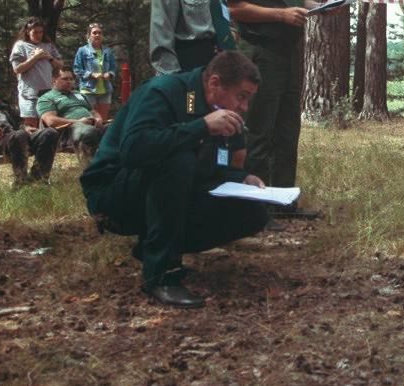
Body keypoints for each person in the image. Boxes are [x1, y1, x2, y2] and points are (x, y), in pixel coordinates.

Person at [80, 51, 271, 308]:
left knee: (253, 213)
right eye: (242, 97)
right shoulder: (164, 92)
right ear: (214, 83)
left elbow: (216, 166)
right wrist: (201, 127)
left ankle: (151, 246)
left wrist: (243, 177)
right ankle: (161, 275)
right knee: (176, 157)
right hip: (113, 192)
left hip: (168, 190)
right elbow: (134, 150)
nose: (244, 107)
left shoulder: (223, 113)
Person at [218, 0, 329, 196]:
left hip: (290, 54)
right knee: (260, 129)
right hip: (259, 54)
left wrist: (324, 4)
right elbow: (235, 7)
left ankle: (283, 197)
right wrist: (280, 15)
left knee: (287, 128)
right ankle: (257, 200)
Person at [36, 66, 107, 165]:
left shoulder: (79, 94)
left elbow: (93, 111)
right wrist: (78, 122)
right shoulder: (47, 98)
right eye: (65, 79)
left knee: (117, 129)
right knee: (89, 132)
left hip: (92, 125)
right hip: (68, 131)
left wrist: (98, 118)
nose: (69, 81)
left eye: (71, 79)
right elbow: (50, 121)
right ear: (54, 80)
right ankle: (90, 167)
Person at [9, 16, 64, 128]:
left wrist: (50, 58)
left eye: (41, 32)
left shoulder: (48, 46)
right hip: (29, 93)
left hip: (48, 93)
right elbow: (17, 69)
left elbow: (61, 65)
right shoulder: (20, 46)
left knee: (49, 124)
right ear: (28, 31)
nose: (39, 35)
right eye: (35, 32)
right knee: (31, 125)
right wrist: (35, 57)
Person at [74, 22, 117, 120]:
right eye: (94, 33)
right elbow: (77, 69)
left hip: (105, 90)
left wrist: (110, 74)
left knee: (104, 120)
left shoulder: (108, 51)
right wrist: (92, 75)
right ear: (89, 35)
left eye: (100, 33)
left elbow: (113, 68)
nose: (97, 35)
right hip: (88, 90)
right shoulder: (82, 51)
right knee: (91, 119)